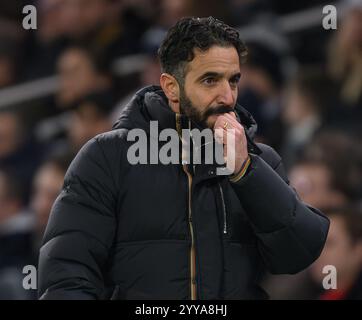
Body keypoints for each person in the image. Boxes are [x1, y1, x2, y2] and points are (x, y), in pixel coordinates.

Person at [38, 17, 329, 300]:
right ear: (171, 88)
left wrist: (247, 172)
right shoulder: (107, 158)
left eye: (234, 80)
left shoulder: (259, 161)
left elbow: (298, 254)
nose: (227, 96)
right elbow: (66, 272)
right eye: (210, 80)